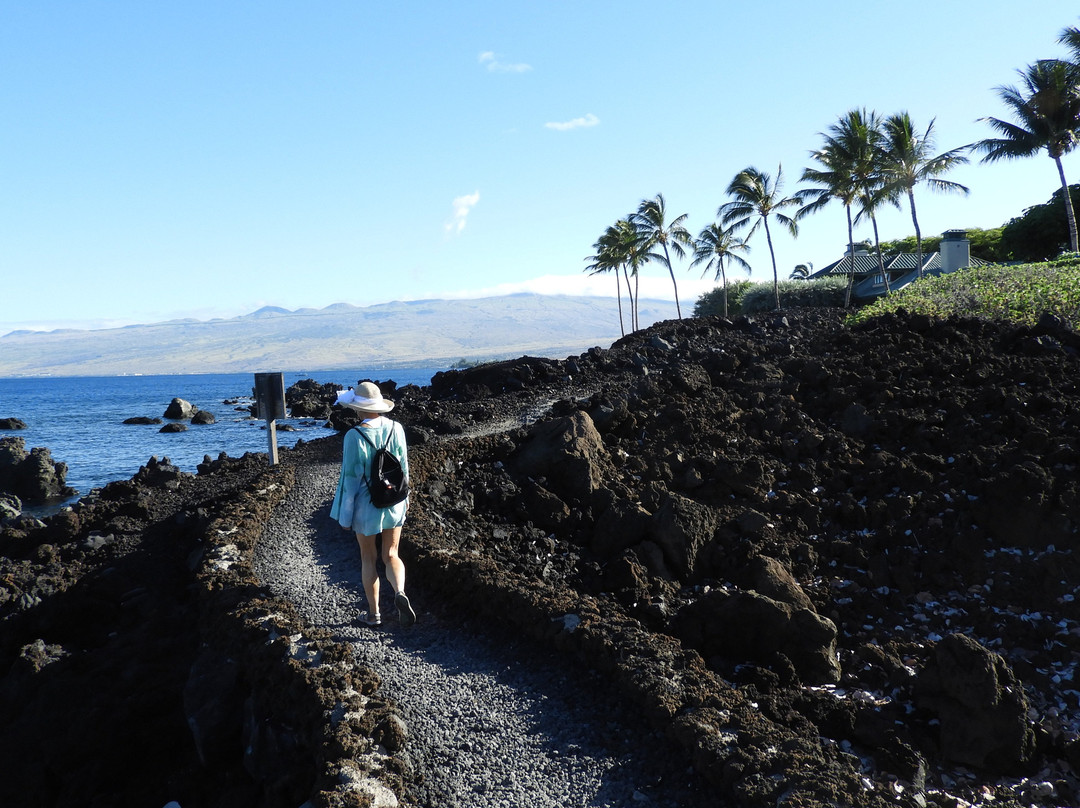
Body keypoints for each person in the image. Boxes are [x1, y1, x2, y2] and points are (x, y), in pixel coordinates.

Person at [330, 381, 417, 628]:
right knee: (391, 554)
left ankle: (373, 614)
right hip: (394, 501)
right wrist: (406, 499)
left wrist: (345, 518)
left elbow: (350, 479)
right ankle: (399, 592)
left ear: (357, 409)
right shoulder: (396, 428)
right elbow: (404, 467)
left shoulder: (354, 436)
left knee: (368, 558)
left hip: (366, 507)